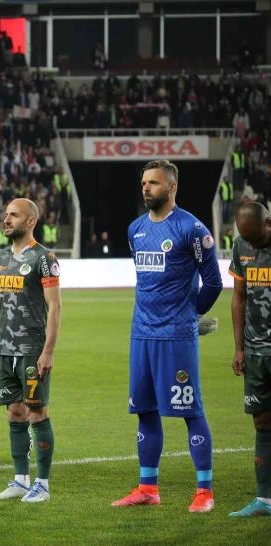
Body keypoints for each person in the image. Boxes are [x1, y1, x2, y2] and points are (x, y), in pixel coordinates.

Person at [112, 159, 222, 512]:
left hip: (176, 337)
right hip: (142, 335)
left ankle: (204, 492)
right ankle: (148, 488)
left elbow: (213, 282)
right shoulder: (136, 229)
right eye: (144, 182)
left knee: (191, 410)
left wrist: (191, 315)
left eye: (154, 182)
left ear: (172, 187)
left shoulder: (191, 228)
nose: (146, 187)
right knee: (145, 410)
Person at [0, 198, 61, 503]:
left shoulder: (44, 258)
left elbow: (54, 307)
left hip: (32, 349)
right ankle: (20, 480)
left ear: (31, 221)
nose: (7, 220)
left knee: (37, 412)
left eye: (14, 215)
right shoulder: (0, 257)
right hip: (6, 350)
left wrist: (48, 351)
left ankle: (42, 484)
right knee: (15, 412)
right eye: (6, 215)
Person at [227, 201, 271, 517]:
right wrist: (239, 348)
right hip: (256, 352)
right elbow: (239, 296)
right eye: (247, 239)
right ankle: (264, 500)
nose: (252, 245)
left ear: (268, 222)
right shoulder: (241, 245)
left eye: (256, 238)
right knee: (262, 422)